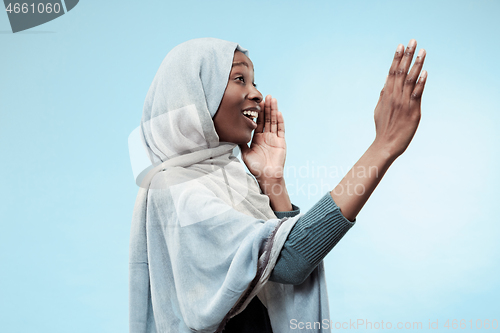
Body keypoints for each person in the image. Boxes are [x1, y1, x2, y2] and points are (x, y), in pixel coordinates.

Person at [128, 37, 427, 333]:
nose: (256, 94)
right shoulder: (172, 188)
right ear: (194, 92)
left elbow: (277, 268)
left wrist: (272, 182)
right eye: (239, 79)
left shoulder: (232, 179)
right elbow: (291, 259)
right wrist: (382, 148)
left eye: (254, 82)